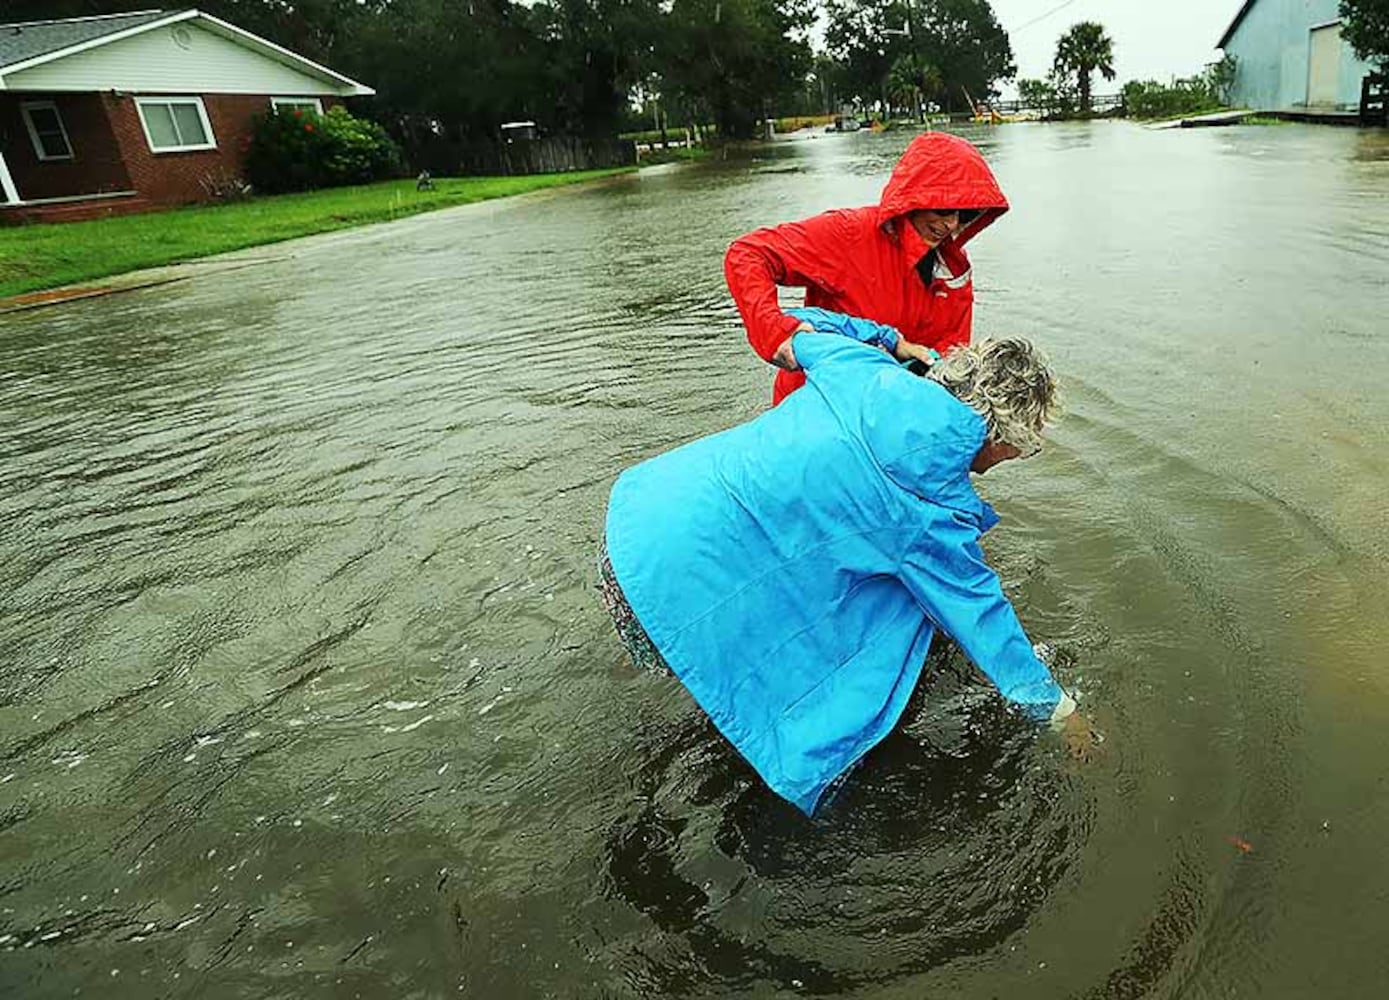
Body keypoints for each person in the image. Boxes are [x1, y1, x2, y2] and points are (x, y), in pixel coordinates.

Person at [599, 309, 1091, 816]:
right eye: (1020, 449)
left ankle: (642, 665)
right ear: (1003, 435)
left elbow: (798, 328)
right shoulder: (932, 510)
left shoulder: (861, 367)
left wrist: (891, 341)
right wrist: (1059, 710)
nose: (1011, 458)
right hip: (674, 582)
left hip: (634, 526)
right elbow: (984, 619)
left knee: (670, 640)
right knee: (899, 613)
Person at [724, 132, 1010, 405]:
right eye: (945, 209)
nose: (951, 224)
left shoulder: (954, 270)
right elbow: (748, 254)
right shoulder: (848, 234)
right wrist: (773, 332)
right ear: (915, 199)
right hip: (817, 408)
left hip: (887, 414)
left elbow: (950, 352)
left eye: (967, 214)